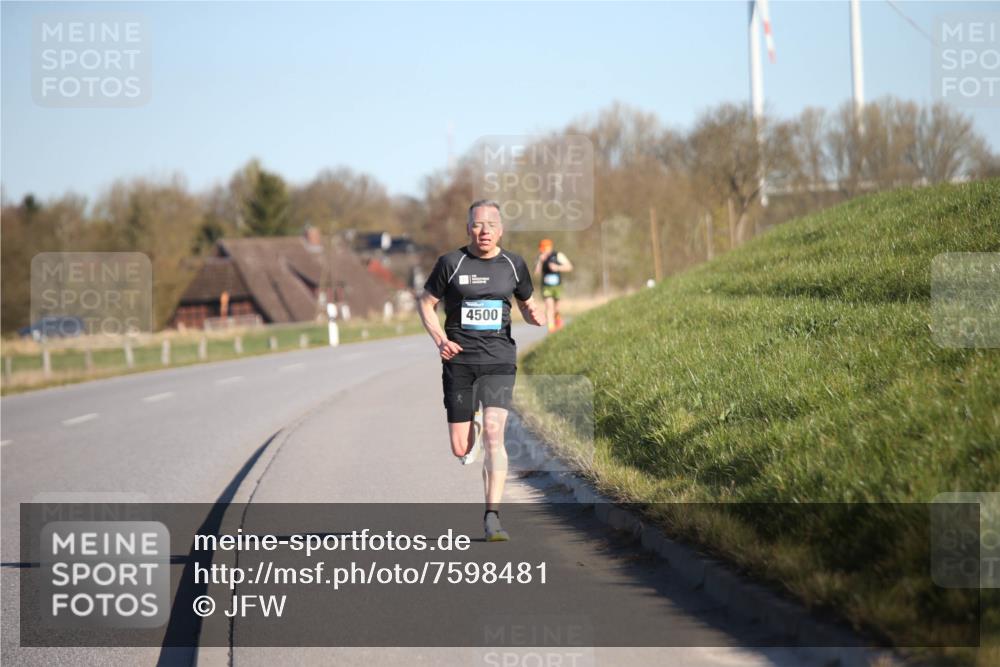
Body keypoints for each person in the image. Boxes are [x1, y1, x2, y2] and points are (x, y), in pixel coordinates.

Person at [417, 199, 546, 541]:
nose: (484, 230)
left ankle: (493, 517)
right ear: (468, 229)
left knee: (494, 434)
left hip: (499, 360)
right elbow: (426, 303)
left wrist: (536, 315)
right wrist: (440, 340)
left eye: (491, 224)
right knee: (461, 448)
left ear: (501, 229)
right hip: (458, 360)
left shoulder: (514, 264)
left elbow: (528, 301)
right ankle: (470, 420)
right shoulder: (451, 263)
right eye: (477, 224)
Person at [533, 239, 573, 332]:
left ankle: (557, 317)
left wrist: (558, 267)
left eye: (544, 249)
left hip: (557, 286)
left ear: (549, 248)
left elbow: (569, 267)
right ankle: (551, 328)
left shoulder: (558, 255)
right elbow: (536, 273)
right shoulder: (540, 257)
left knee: (556, 307)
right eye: (541, 249)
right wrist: (540, 261)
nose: (542, 251)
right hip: (546, 286)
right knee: (549, 306)